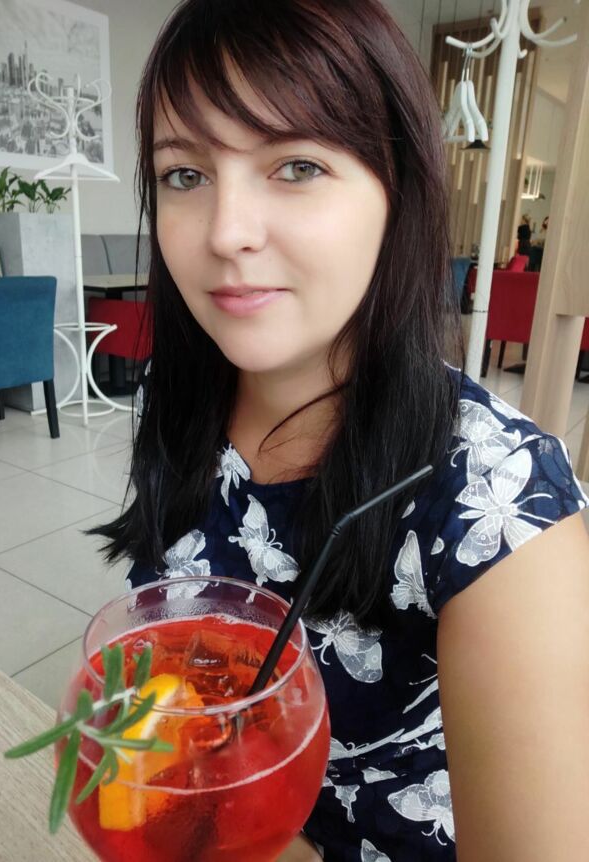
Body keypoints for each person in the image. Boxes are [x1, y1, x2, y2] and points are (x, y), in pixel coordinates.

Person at [92, 1, 589, 859]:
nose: (226, 233)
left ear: (398, 193)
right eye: (185, 174)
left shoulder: (505, 516)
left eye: (296, 166)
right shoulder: (186, 394)